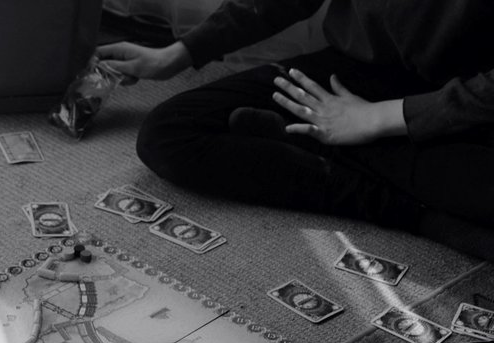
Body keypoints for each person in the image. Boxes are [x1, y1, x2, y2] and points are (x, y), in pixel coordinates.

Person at [95, 0, 494, 260]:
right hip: (353, 73)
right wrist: (177, 54)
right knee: (168, 134)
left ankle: (333, 150)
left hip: (467, 105)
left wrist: (378, 119)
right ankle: (410, 210)